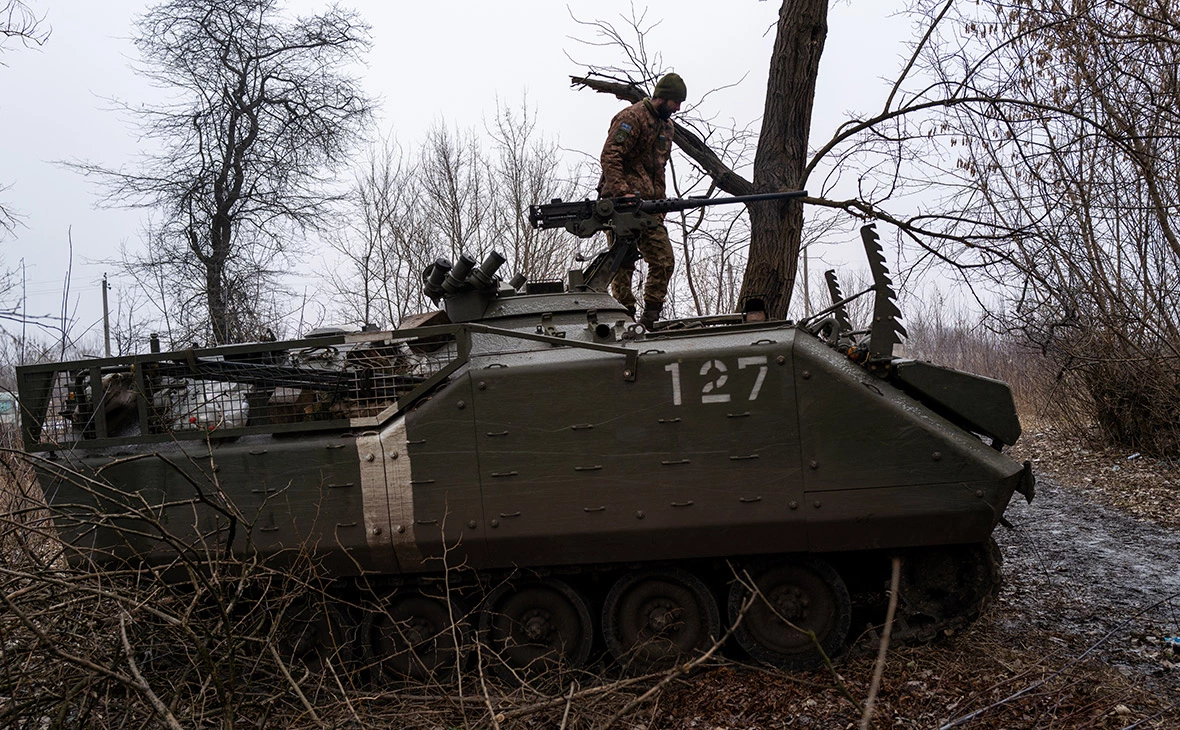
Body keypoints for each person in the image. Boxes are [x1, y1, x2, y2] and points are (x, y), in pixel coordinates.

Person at [598, 72, 686, 329]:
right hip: (621, 207)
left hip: (649, 208)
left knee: (663, 260)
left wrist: (661, 205)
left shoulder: (667, 127)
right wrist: (621, 192)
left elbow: (660, 168)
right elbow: (610, 156)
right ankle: (625, 316)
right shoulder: (631, 117)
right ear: (663, 97)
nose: (678, 108)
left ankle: (650, 318)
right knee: (622, 264)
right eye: (676, 102)